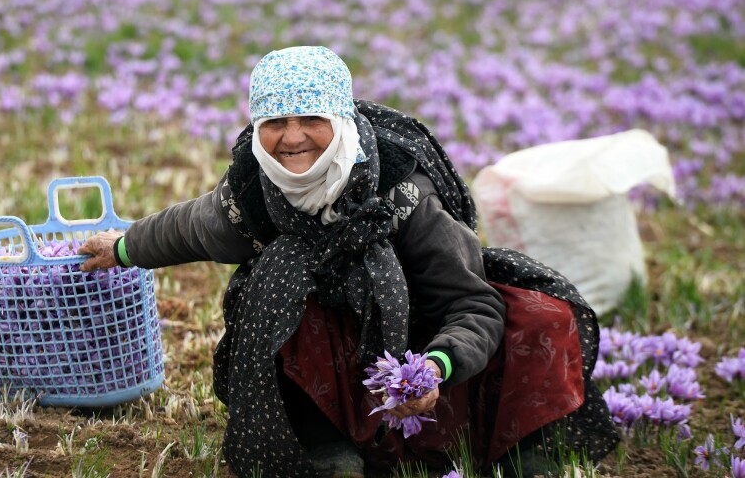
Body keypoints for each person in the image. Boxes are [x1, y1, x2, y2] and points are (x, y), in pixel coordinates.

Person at [79, 46, 619, 477]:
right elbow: (191, 228)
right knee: (282, 273)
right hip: (336, 345)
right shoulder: (255, 187)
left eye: (311, 118)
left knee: (543, 318)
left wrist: (434, 366)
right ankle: (324, 443)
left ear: (341, 121)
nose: (291, 138)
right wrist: (122, 248)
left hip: (425, 329)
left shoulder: (402, 189)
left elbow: (470, 303)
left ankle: (523, 450)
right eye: (274, 121)